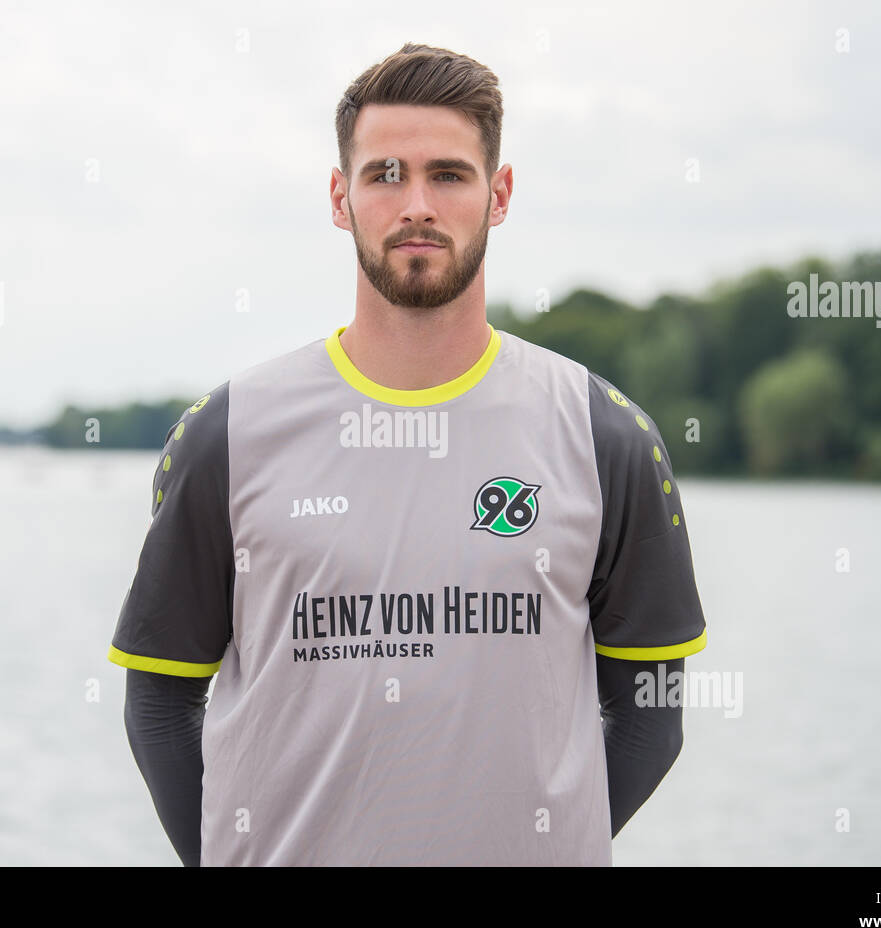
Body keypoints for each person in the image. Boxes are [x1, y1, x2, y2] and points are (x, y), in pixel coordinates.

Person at [109, 42, 707, 866]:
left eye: (449, 175)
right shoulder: (229, 433)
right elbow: (159, 705)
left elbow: (650, 714)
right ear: (339, 197)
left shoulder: (603, 436)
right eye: (384, 173)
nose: (415, 203)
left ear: (498, 195)